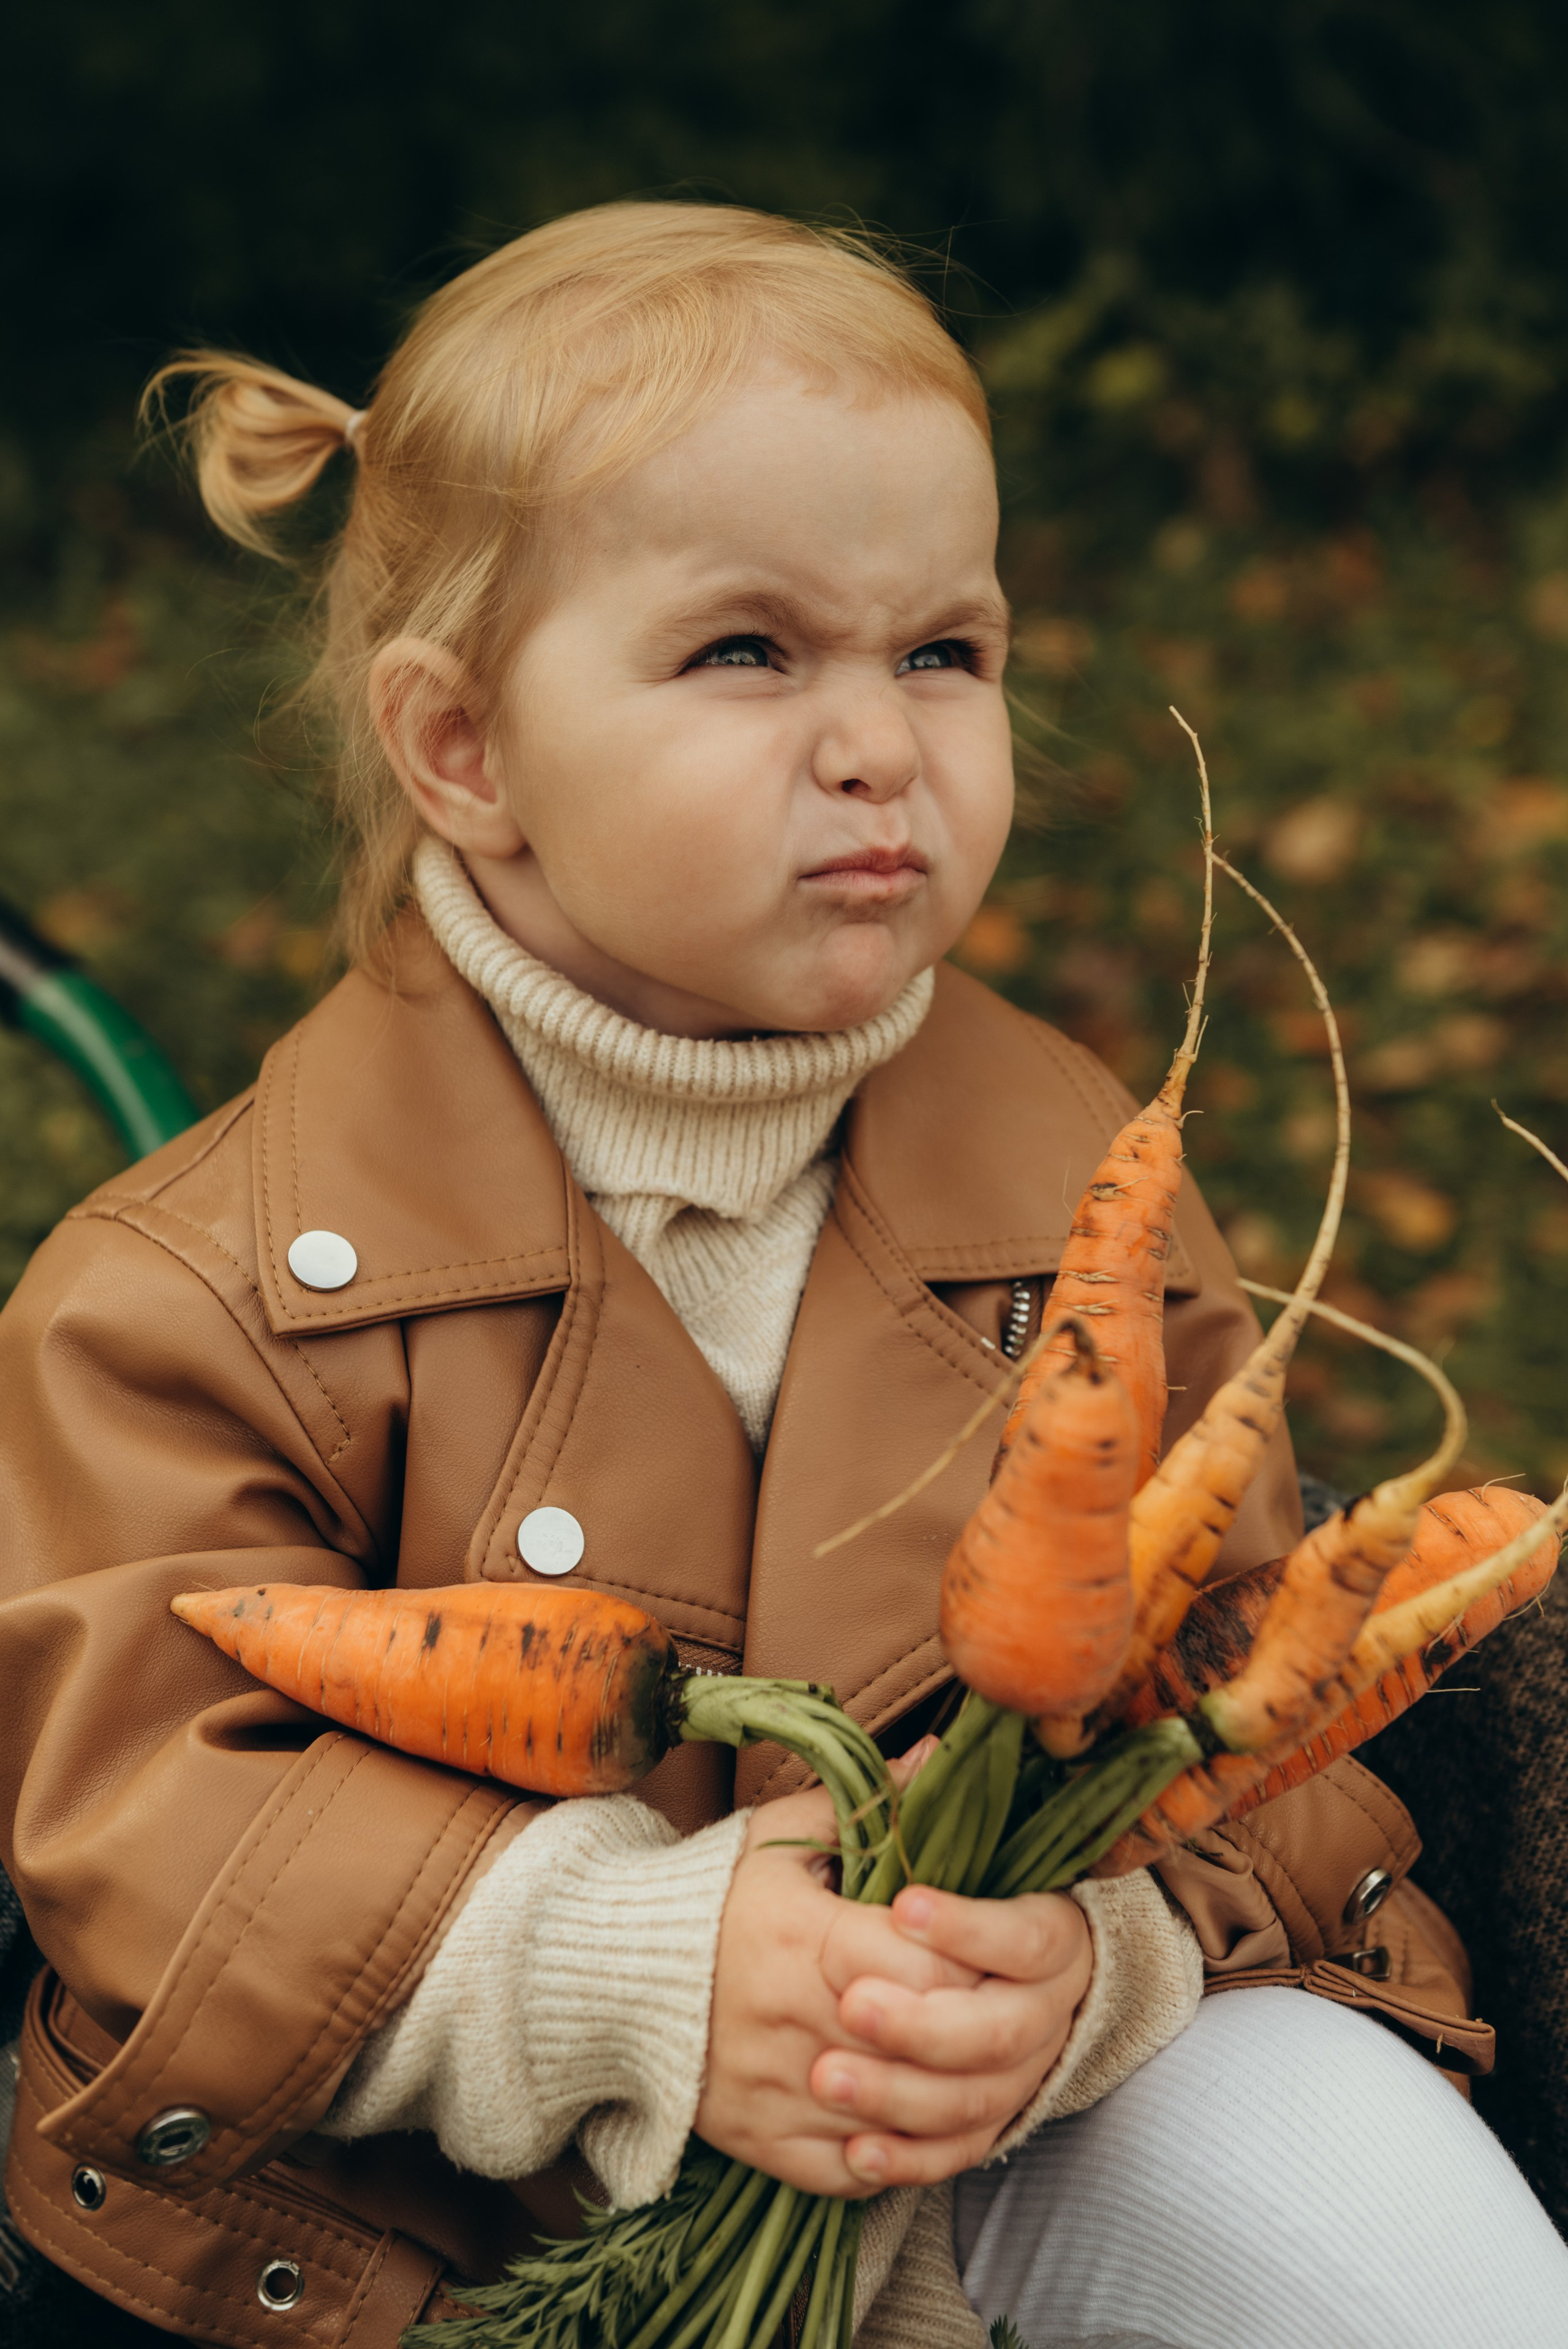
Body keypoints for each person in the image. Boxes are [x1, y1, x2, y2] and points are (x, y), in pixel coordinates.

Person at [1, 202, 1563, 2349]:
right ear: (462, 751)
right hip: (427, 2229)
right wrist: (635, 1966)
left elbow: (1263, 1708)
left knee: (1392, 2226)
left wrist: (1104, 1955)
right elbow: (138, 1816)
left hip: (992, 2113)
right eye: (749, 651)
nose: (877, 740)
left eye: (944, 649)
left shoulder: (1082, 1195)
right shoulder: (188, 1293)